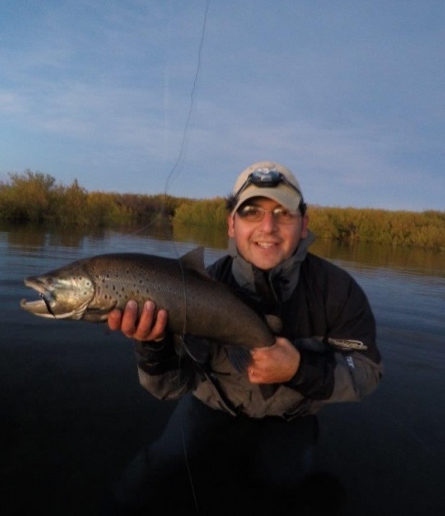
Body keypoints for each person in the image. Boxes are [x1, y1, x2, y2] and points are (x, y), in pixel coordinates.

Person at [107, 161, 383, 511]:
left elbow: (367, 370)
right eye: (251, 212)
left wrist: (299, 370)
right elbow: (171, 387)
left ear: (303, 225)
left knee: (280, 487)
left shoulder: (338, 292)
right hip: (211, 404)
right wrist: (152, 346)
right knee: (160, 464)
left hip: (290, 417)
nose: (268, 227)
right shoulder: (192, 289)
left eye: (283, 213)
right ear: (231, 224)